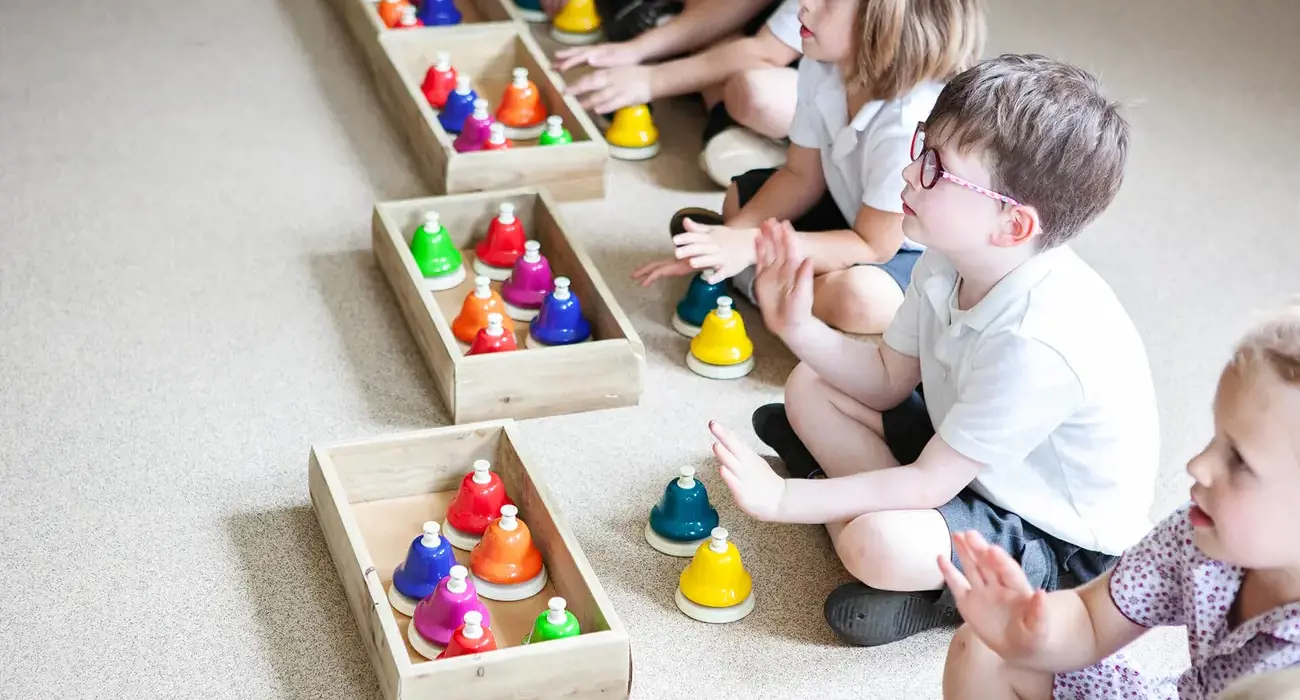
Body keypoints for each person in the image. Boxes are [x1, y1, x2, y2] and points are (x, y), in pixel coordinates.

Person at [705, 54, 1160, 647]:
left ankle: (930, 588)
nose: (909, 170)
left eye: (936, 168)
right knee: (808, 384)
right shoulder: (950, 253)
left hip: (1051, 539)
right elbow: (889, 377)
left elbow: (927, 484)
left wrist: (789, 498)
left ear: (1013, 226)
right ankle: (863, 515)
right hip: (966, 461)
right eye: (921, 145)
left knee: (877, 543)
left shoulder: (1037, 342)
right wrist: (797, 329)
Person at [939, 306, 1300, 699]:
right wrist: (1031, 630)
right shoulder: (1198, 532)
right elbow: (1092, 619)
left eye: (1240, 461)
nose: (1198, 465)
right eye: (1215, 437)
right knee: (986, 650)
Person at [632, 0, 986, 335]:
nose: (803, 4)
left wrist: (748, 247)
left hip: (906, 250)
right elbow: (801, 176)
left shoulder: (908, 118)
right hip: (851, 211)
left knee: (859, 299)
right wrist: (729, 238)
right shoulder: (820, 62)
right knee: (739, 197)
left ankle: (765, 287)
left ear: (882, 21)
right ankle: (770, 277)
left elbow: (873, 246)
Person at [557, 0, 802, 187]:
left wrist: (651, 80)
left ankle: (790, 151)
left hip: (813, 82)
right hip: (790, 55)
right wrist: (638, 49)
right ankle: (730, 129)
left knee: (756, 93)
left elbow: (767, 51)